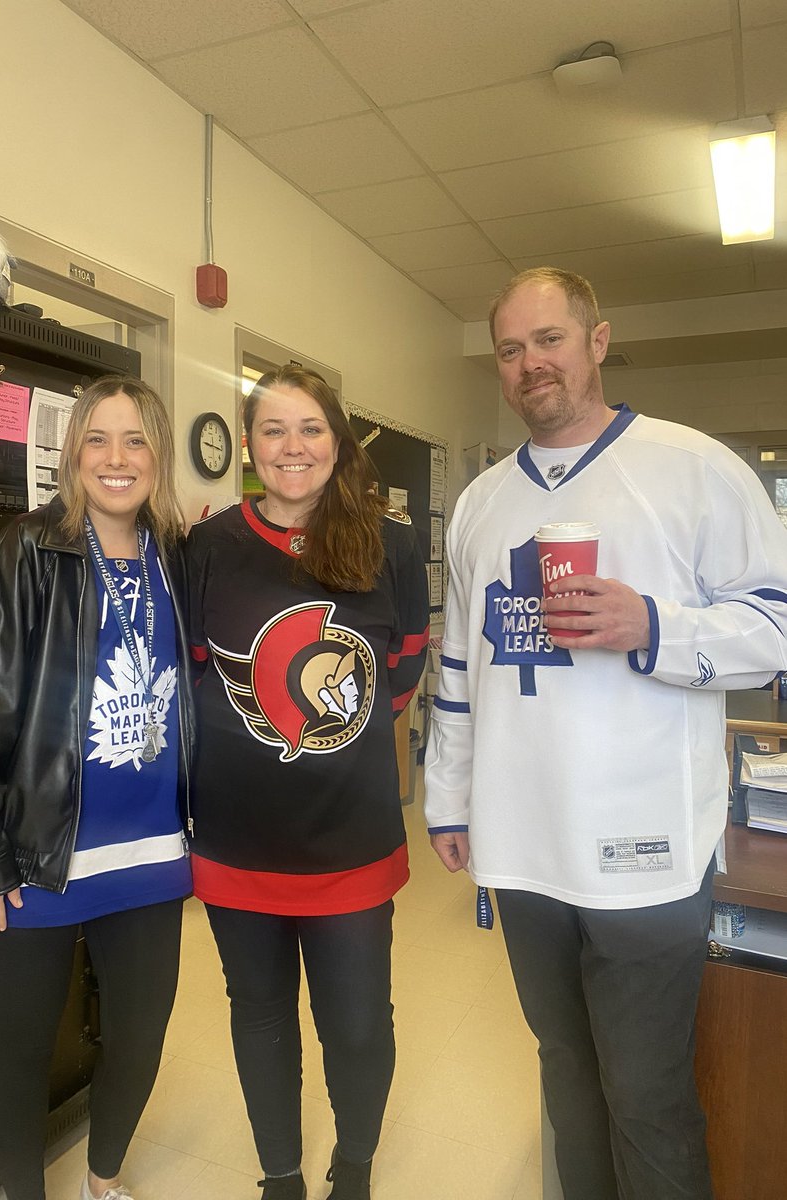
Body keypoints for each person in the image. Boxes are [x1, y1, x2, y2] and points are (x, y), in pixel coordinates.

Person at [424, 267, 787, 1200]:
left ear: (597, 340)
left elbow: (776, 627)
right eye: (510, 349)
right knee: (565, 1076)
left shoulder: (693, 468)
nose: (530, 364)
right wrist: (450, 800)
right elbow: (459, 668)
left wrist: (653, 627)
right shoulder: (480, 504)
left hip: (648, 852)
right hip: (523, 845)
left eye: (549, 340)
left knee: (647, 1092)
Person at [0, 376, 193, 1200]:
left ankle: (102, 1181)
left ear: (158, 456)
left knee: (142, 1040)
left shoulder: (177, 556)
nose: (117, 460)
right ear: (73, 453)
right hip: (36, 851)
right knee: (21, 1049)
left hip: (150, 851)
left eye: (136, 441)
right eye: (98, 441)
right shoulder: (26, 549)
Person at [185, 365, 429, 1200]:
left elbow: (397, 682)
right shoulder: (208, 547)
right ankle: (279, 1178)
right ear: (249, 446)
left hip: (352, 841)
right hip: (235, 842)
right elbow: (191, 678)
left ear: (338, 440)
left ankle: (353, 1166)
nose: (293, 448)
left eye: (311, 429)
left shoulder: (391, 545)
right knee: (259, 1018)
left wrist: (323, 741)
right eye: (273, 430)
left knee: (356, 1028)